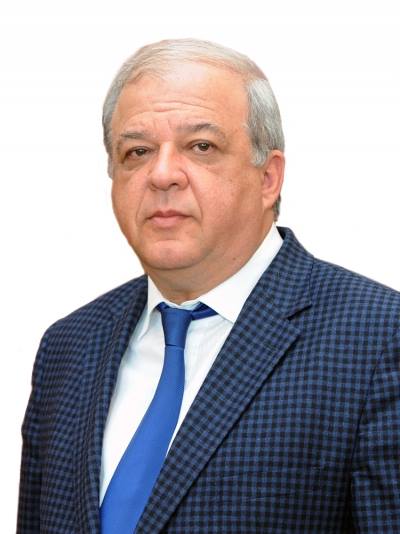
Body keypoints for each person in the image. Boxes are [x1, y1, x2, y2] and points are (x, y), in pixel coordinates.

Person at [17, 38, 400, 533]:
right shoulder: (68, 347)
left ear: (268, 178)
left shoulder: (379, 339)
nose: (161, 175)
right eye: (137, 152)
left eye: (201, 147)